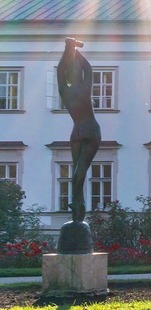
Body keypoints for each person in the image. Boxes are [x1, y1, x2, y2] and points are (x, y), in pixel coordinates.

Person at [57, 37, 101, 225]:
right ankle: (78, 206)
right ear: (79, 74)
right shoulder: (84, 87)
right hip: (91, 132)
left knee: (77, 172)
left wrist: (69, 49)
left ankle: (76, 205)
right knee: (79, 172)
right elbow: (88, 68)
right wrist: (75, 49)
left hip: (77, 133)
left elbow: (60, 69)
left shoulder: (64, 92)